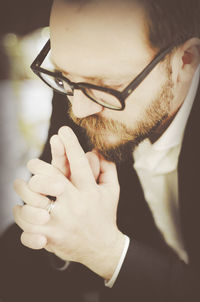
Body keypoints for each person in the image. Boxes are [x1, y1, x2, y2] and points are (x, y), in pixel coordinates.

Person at [1, 0, 200, 301]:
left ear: (184, 61)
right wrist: (57, 233)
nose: (78, 111)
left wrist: (108, 254)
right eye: (64, 74)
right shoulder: (79, 90)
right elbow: (31, 256)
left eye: (105, 86)